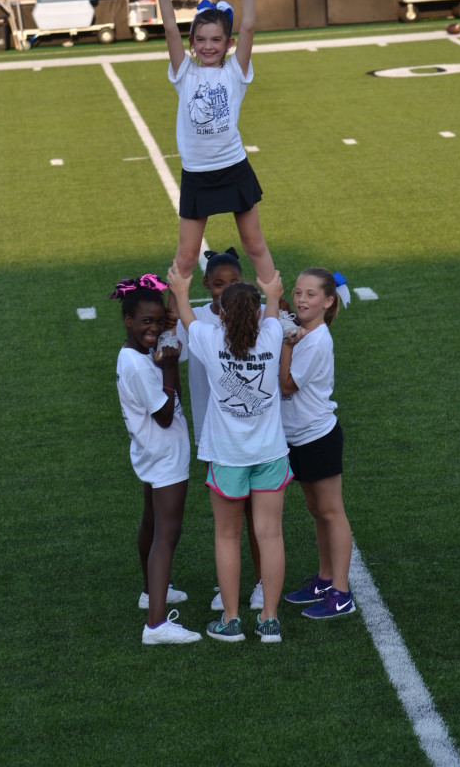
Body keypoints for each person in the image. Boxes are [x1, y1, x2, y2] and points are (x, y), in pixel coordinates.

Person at [139, 0, 275, 309]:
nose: (208, 45)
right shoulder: (184, 74)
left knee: (254, 244)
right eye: (201, 40)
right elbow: (169, 26)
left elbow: (248, 26)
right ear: (192, 44)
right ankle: (170, 325)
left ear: (228, 44)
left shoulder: (236, 71)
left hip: (234, 168)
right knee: (185, 258)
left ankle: (279, 311)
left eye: (216, 39)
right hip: (198, 173)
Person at [168, 261, 291, 643]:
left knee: (226, 536)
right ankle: (269, 619)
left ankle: (232, 619)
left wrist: (180, 286)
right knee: (270, 535)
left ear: (219, 311)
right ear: (255, 312)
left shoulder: (209, 338)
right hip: (270, 453)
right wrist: (271, 292)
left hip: (226, 457)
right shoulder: (271, 333)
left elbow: (186, 315)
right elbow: (272, 309)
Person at [112, 273, 201, 645]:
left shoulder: (136, 353)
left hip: (150, 452)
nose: (153, 329)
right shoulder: (139, 364)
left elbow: (173, 395)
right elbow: (165, 414)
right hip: (165, 454)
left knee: (150, 522)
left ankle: (151, 592)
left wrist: (168, 360)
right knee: (168, 532)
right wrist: (167, 366)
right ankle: (156, 624)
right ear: (128, 321)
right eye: (145, 322)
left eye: (157, 321)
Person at [175, 247, 264, 612]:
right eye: (217, 284)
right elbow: (168, 348)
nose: (224, 289)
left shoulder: (256, 319)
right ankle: (227, 586)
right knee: (228, 519)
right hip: (216, 437)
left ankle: (260, 583)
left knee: (255, 516)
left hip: (254, 436)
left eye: (233, 282)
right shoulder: (194, 320)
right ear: (206, 285)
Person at [279, 269, 356, 620]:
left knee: (331, 511)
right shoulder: (305, 334)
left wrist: (285, 343)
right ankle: (325, 579)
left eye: (310, 294)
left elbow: (287, 385)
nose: (301, 300)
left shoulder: (315, 339)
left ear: (328, 301)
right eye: (297, 293)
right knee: (316, 511)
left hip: (318, 437)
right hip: (300, 437)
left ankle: (341, 592)